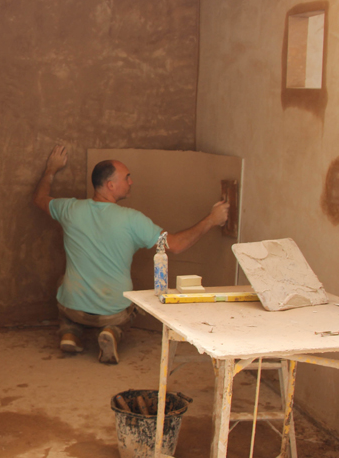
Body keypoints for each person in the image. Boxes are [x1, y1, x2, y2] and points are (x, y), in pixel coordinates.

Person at [33, 145, 229, 364]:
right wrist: (211, 220)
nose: (131, 182)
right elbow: (175, 245)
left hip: (73, 308)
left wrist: (51, 169)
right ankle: (112, 331)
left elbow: (40, 198)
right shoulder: (133, 220)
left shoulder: (69, 209)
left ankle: (70, 331)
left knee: (63, 283)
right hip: (113, 311)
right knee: (130, 304)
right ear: (110, 185)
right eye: (127, 177)